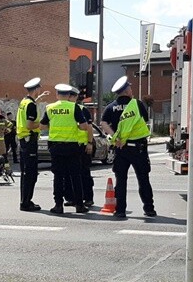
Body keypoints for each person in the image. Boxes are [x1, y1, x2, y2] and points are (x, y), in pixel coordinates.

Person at [101, 76, 156, 219]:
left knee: (121, 180)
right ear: (126, 90)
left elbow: (103, 123)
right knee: (143, 178)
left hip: (120, 149)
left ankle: (120, 210)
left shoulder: (110, 107)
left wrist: (116, 137)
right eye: (130, 88)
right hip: (138, 148)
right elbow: (143, 121)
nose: (132, 90)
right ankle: (149, 209)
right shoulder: (136, 104)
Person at [40, 83, 90, 215]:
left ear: (57, 95)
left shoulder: (50, 108)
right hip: (72, 147)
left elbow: (42, 126)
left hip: (56, 146)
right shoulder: (74, 107)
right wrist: (75, 128)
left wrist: (54, 126)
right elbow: (84, 126)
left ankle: (58, 205)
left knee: (58, 176)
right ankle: (79, 205)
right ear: (68, 95)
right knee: (75, 176)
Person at [17, 77, 45, 211]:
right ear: (37, 89)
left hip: (24, 141)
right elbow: (29, 124)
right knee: (31, 173)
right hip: (30, 141)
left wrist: (39, 99)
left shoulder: (24, 102)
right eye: (39, 89)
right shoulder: (31, 105)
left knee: (25, 173)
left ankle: (24, 200)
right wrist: (43, 126)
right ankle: (26, 202)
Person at [69, 87, 95, 207]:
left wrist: (89, 143)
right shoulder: (66, 110)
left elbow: (89, 127)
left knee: (84, 172)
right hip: (72, 145)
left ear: (75, 97)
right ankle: (72, 198)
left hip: (83, 146)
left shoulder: (82, 109)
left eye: (71, 96)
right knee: (71, 173)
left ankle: (88, 197)